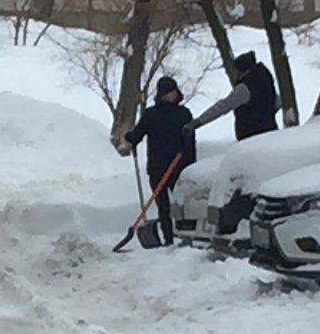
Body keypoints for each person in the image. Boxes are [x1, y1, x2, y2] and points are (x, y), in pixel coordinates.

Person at [115, 75, 194, 247]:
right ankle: (168, 239)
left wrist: (189, 163)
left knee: (181, 205)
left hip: (178, 166)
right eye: (168, 92)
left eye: (173, 91)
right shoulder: (154, 114)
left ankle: (184, 238)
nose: (172, 95)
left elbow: (190, 141)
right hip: (160, 167)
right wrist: (131, 138)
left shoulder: (182, 114)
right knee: (164, 205)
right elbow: (137, 135)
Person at [184, 50, 278, 143]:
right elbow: (277, 102)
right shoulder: (266, 82)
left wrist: (198, 122)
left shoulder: (244, 88)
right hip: (270, 135)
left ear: (241, 71)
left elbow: (223, 107)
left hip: (251, 138)